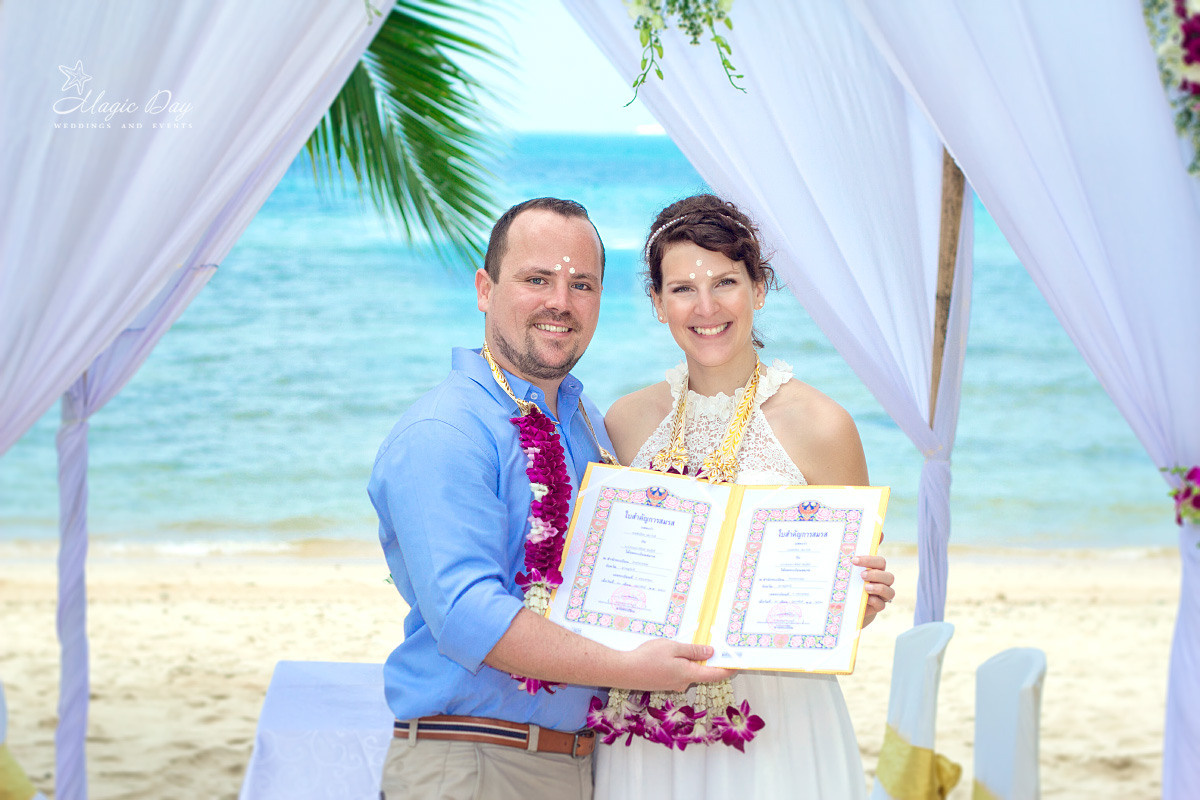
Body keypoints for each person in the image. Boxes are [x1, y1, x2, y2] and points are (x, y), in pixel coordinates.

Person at [368, 197, 731, 800]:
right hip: (473, 763)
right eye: (537, 279)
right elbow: (467, 615)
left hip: (579, 764)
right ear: (485, 289)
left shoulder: (585, 423)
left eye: (581, 284)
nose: (560, 301)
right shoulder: (445, 431)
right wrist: (629, 669)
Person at [596, 194, 896, 799]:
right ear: (657, 302)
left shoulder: (823, 426)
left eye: (725, 282)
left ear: (758, 289)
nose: (706, 307)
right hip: (653, 722)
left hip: (778, 716)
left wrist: (860, 601)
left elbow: (848, 603)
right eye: (683, 288)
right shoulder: (625, 423)